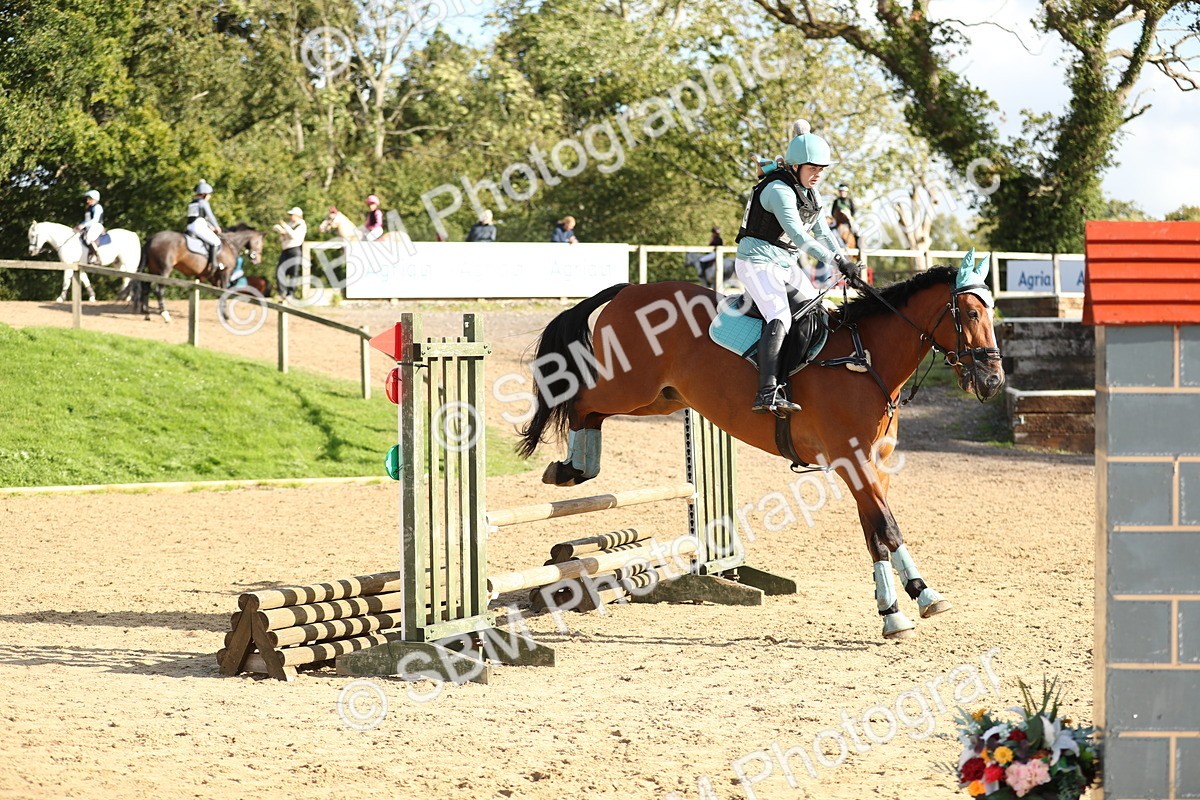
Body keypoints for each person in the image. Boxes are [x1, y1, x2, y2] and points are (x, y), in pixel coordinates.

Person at [735, 119, 858, 415]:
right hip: (756, 262)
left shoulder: (808, 192)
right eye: (812, 169)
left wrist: (844, 257)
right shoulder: (779, 190)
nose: (817, 176)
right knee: (779, 314)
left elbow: (823, 233)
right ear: (795, 166)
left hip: (783, 264)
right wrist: (836, 261)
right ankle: (766, 392)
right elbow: (800, 236)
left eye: (820, 170)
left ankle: (794, 378)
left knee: (815, 309)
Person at [186, 180, 223, 273]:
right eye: (209, 195)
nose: (209, 197)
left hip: (190, 226)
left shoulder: (192, 202)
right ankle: (213, 264)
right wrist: (217, 227)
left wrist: (210, 226)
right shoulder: (203, 202)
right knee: (216, 241)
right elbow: (210, 216)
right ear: (204, 194)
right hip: (198, 226)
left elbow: (198, 217)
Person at [274, 207, 306, 299]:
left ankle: (290, 293)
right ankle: (282, 292)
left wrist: (285, 227)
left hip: (294, 249)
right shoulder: (290, 224)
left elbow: (293, 235)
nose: (290, 216)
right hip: (285, 249)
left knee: (293, 272)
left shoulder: (301, 225)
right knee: (280, 270)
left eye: (292, 215)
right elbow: (285, 236)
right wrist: (280, 230)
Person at [75, 190, 105, 265]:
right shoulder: (89, 208)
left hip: (97, 226)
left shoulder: (97, 207)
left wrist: (84, 225)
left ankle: (97, 256)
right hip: (89, 227)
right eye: (87, 199)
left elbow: (95, 220)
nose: (87, 201)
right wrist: (80, 225)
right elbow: (86, 220)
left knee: (88, 238)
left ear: (94, 199)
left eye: (89, 199)